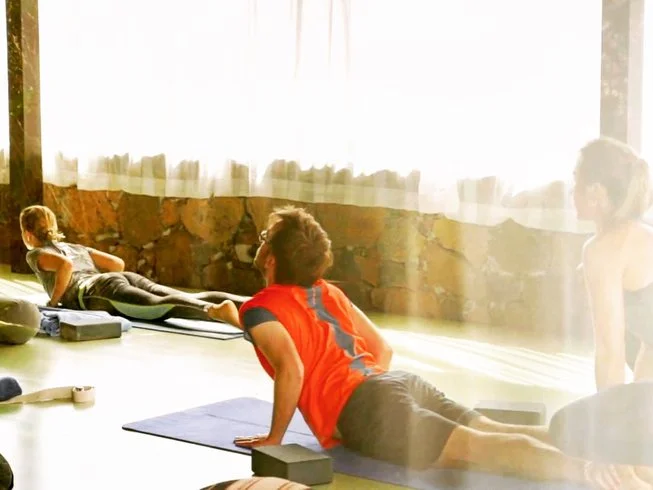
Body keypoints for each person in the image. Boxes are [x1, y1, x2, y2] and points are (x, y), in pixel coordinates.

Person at [234, 205, 652, 489]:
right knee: (500, 430)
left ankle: (605, 477)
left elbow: (291, 367)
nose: (262, 240)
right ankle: (634, 460)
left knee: (483, 449)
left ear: (271, 257)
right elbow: (381, 349)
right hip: (395, 383)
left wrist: (275, 438)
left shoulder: (259, 308)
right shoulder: (325, 292)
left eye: (266, 236)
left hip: (368, 407)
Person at [19, 205, 245, 326]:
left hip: (94, 289)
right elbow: (116, 263)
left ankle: (214, 311)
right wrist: (116, 282)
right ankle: (247, 304)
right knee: (181, 295)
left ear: (28, 234)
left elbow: (65, 266)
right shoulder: (74, 247)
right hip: (122, 278)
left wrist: (54, 302)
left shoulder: (35, 254)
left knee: (158, 306)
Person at [572, 137, 653, 388]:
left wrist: (611, 411)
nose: (571, 191)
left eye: (576, 182)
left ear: (596, 191)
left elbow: (610, 353)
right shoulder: (640, 233)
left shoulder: (603, 251)